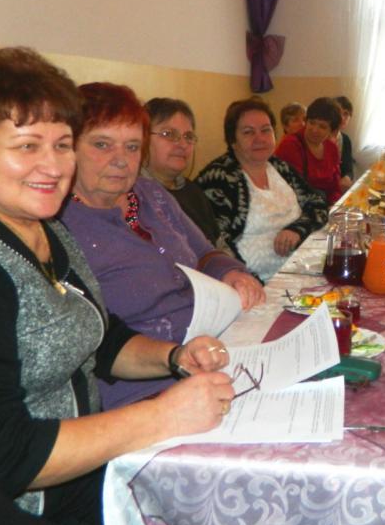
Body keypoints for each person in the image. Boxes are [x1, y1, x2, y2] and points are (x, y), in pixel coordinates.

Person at [0, 48, 236, 525]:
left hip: (90, 478)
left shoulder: (44, 226)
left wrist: (174, 357)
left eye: (61, 145)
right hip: (4, 513)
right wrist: (162, 416)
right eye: (26, 146)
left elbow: (99, 338)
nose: (54, 166)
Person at [61, 82, 264, 410]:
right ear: (67, 147)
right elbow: (93, 343)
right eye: (102, 144)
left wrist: (231, 273)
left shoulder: (151, 193)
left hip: (216, 347)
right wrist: (177, 358)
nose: (121, 160)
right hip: (143, 385)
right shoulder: (58, 224)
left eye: (131, 147)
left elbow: (205, 253)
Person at [196, 98, 329, 281]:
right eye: (248, 132)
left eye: (266, 130)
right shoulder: (219, 178)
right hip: (259, 283)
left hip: (302, 270)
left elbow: (318, 203)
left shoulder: (279, 167)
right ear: (233, 140)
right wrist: (249, 282)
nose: (260, 139)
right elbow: (216, 245)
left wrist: (297, 229)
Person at [143, 97, 229, 252]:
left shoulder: (193, 192)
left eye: (188, 136)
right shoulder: (135, 196)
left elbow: (219, 247)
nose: (183, 144)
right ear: (142, 139)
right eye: (168, 134)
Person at [275, 96, 344, 204]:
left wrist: (333, 205)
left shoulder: (332, 148)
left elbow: (335, 188)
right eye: (312, 122)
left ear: (332, 132)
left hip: (324, 205)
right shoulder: (290, 145)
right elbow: (293, 190)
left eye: (322, 126)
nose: (314, 130)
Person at [333, 95, 355, 189]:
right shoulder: (321, 137)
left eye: (346, 114)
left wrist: (347, 177)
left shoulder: (345, 139)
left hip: (340, 188)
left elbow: (349, 169)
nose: (342, 118)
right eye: (339, 113)